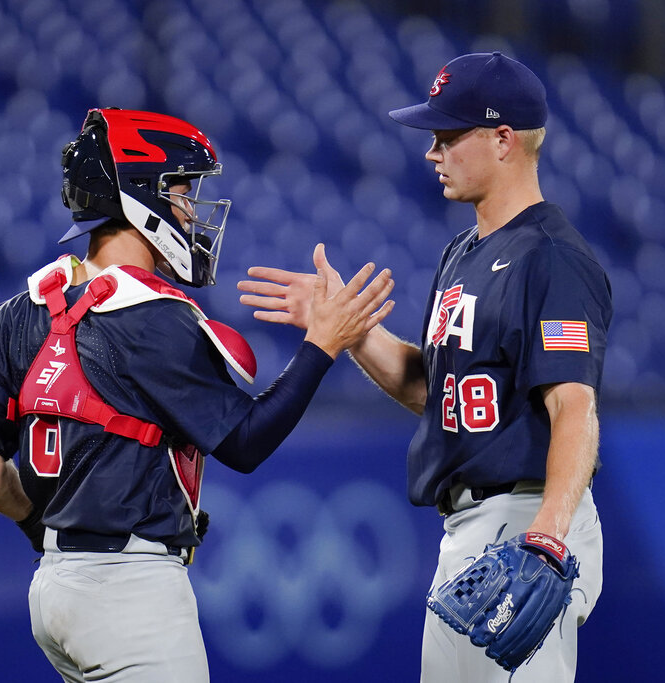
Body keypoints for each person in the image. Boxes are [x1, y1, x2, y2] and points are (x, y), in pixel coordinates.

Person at [0, 107, 394, 683]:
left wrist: (41, 526)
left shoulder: (21, 309)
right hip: (131, 591)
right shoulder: (155, 318)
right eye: (180, 191)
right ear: (139, 198)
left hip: (53, 587)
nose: (189, 210)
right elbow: (246, 443)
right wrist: (323, 346)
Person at [237, 52, 612, 681]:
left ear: (502, 140)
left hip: (526, 521)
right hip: (468, 531)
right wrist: (346, 329)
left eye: (448, 135)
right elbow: (431, 389)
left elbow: (574, 406)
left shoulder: (551, 258)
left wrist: (547, 538)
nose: (432, 152)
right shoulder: (461, 253)